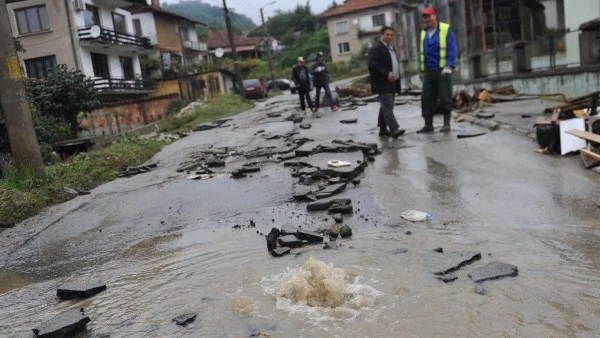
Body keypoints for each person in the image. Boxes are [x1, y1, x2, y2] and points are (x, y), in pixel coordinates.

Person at [418, 7, 457, 133]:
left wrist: (449, 66)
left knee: (445, 97)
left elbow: (452, 48)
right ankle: (428, 125)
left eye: (429, 16)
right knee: (426, 98)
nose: (427, 19)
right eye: (425, 17)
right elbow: (423, 53)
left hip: (442, 71)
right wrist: (421, 69)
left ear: (435, 16)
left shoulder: (445, 29)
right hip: (429, 71)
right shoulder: (424, 33)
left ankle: (446, 124)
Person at [368, 26, 405, 138]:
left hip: (391, 82)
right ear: (382, 35)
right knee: (388, 106)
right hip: (382, 82)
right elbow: (372, 64)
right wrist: (386, 73)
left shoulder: (390, 47)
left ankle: (383, 129)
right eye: (387, 34)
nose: (389, 37)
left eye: (391, 35)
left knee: (385, 106)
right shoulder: (376, 48)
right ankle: (394, 129)